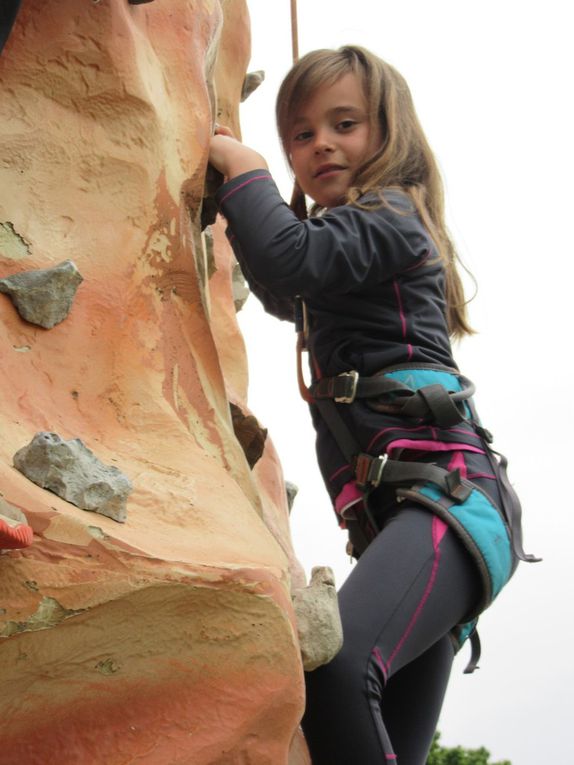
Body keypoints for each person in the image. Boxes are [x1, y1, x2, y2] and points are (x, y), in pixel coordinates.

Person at [208, 45, 536, 765]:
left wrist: (245, 169)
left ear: (391, 134)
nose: (320, 142)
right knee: (370, 728)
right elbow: (278, 278)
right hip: (416, 520)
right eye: (300, 134)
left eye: (344, 123)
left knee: (335, 677)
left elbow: (288, 259)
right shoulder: (346, 244)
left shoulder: (393, 216)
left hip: (450, 504)